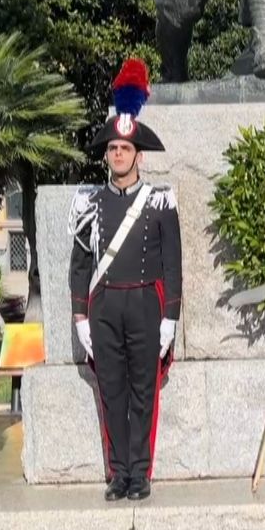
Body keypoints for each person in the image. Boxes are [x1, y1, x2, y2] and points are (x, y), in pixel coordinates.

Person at [69, 58, 182, 502]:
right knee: (111, 393)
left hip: (145, 305)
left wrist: (169, 318)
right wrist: (80, 317)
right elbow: (80, 266)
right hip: (105, 307)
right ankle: (118, 473)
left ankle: (141, 471)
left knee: (143, 391)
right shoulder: (87, 202)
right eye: (112, 149)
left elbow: (173, 264)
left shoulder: (160, 201)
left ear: (138, 155)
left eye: (125, 149)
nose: (118, 155)